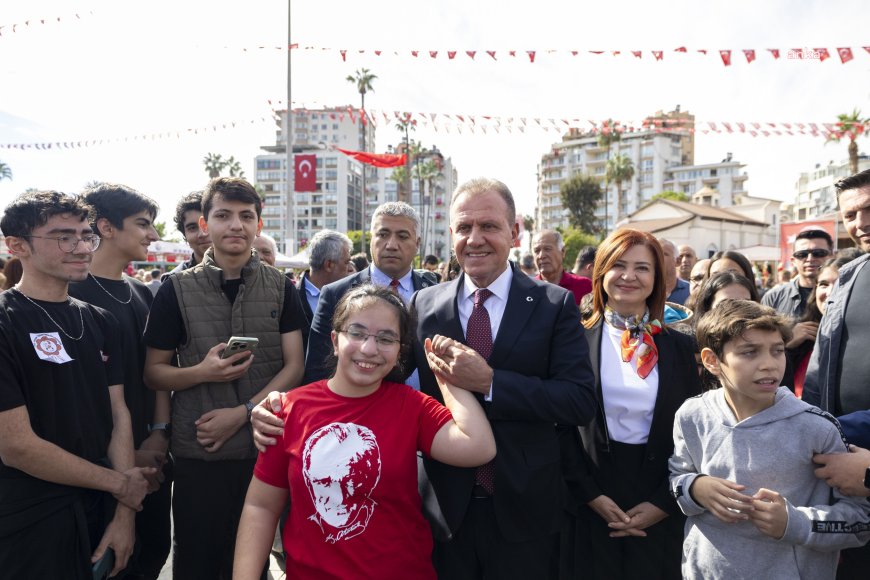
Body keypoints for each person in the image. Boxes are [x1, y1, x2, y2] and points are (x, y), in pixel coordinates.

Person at [232, 284, 496, 579]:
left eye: (386, 338)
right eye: (356, 334)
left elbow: (478, 446)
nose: (369, 349)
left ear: (399, 350)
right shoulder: (287, 410)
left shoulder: (412, 407)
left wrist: (444, 372)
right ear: (334, 340)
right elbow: (261, 507)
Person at [411, 178, 596, 577]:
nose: (475, 239)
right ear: (451, 235)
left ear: (515, 233)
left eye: (489, 226)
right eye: (464, 228)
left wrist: (492, 383)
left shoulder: (554, 304)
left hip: (525, 510)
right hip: (445, 510)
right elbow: (384, 385)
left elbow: (578, 400)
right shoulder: (424, 305)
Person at [143, 177, 307, 579]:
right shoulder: (174, 290)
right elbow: (153, 372)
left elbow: (294, 366)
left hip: (263, 447)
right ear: (204, 225)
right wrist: (203, 371)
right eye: (223, 215)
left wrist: (245, 412)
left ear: (258, 224)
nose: (236, 225)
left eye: (245, 216)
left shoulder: (282, 288)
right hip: (200, 449)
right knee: (197, 558)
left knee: (253, 563)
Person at [0, 190, 153, 578]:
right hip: (30, 515)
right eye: (63, 237)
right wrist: (122, 485)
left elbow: (119, 414)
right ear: (17, 245)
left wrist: (123, 515)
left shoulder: (101, 320)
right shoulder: (7, 321)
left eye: (87, 235)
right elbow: (16, 446)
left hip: (100, 506)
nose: (81, 247)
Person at [669, 299, 870, 580]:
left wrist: (795, 523)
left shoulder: (817, 428)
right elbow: (677, 476)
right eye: (750, 352)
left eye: (778, 351)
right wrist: (694, 488)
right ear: (712, 360)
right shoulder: (691, 415)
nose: (769, 364)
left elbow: (859, 521)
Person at [562, 229, 701, 580]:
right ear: (601, 273)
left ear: (657, 279)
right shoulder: (574, 340)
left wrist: (663, 504)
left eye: (642, 268)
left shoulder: (681, 348)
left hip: (660, 496)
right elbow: (561, 425)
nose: (628, 276)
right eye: (618, 265)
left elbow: (696, 433)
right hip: (591, 497)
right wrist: (591, 495)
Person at [68, 183, 171, 580]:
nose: (154, 235)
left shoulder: (145, 293)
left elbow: (159, 370)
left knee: (151, 555)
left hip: (154, 460)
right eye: (143, 224)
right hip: (96, 468)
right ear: (106, 227)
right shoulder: (70, 294)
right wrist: (124, 465)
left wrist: (159, 437)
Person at [805, 169, 870, 577]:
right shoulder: (848, 276)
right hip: (841, 476)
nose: (861, 224)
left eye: (869, 209)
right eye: (850, 215)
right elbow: (817, 375)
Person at [303, 202, 436, 384]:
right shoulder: (336, 293)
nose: (391, 245)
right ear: (371, 238)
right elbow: (317, 370)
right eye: (383, 234)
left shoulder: (433, 294)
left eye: (403, 236)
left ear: (417, 243)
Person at [762, 228, 834, 320]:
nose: (810, 259)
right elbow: (763, 332)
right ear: (793, 261)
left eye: (818, 253)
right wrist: (790, 333)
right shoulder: (774, 297)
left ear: (832, 256)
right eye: (802, 254)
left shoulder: (845, 293)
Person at [296, 229, 354, 325]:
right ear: (329, 265)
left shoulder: (352, 295)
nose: (350, 269)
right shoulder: (290, 296)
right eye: (346, 262)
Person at [533, 229, 592, 305]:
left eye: (547, 249)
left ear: (562, 251)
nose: (541, 255)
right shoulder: (527, 290)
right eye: (537, 251)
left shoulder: (585, 286)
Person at [166, 190, 211, 277]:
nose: (203, 234)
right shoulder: (172, 284)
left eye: (207, 224)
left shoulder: (244, 273)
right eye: (192, 228)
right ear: (185, 235)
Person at [659, 238, 690, 305]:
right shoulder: (643, 290)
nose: (658, 257)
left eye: (664, 254)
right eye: (654, 253)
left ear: (678, 261)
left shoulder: (690, 290)